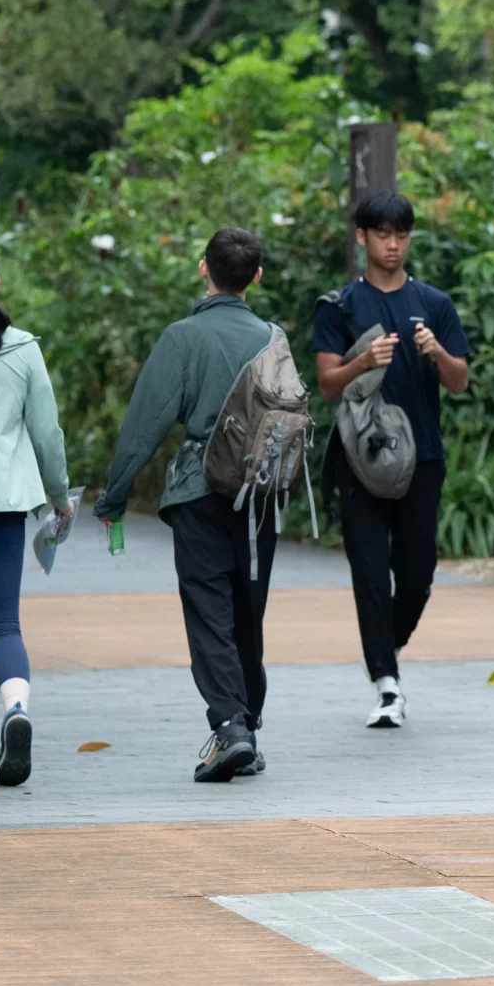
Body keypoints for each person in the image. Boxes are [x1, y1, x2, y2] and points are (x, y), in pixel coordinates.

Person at [95, 229, 294, 783]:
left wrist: (115, 496)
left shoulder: (182, 337)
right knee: (247, 612)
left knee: (210, 613)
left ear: (204, 268)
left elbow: (145, 423)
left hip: (199, 491)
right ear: (257, 276)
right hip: (259, 497)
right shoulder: (274, 338)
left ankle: (230, 727)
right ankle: (247, 725)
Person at [311, 189, 472, 730]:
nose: (393, 244)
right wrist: (362, 361)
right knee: (369, 573)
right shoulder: (339, 306)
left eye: (401, 234)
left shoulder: (434, 304)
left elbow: (460, 381)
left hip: (422, 456)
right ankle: (386, 683)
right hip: (360, 458)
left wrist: (436, 352)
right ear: (362, 237)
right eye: (382, 234)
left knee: (418, 573)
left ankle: (385, 648)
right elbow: (328, 386)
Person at [0, 246, 71, 789]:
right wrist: (59, 497)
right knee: (2, 625)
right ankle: (15, 709)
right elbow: (46, 436)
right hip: (1, 505)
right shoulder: (22, 349)